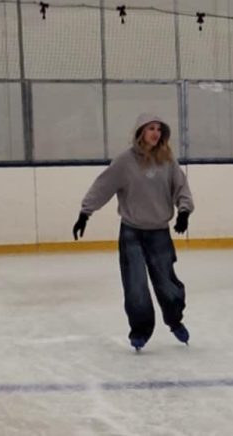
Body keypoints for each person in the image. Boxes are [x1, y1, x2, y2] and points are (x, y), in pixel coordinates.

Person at [73, 113, 195, 352]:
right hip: (132, 233)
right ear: (141, 132)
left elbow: (181, 188)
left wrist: (184, 212)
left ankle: (174, 320)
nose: (155, 133)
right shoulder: (125, 162)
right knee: (135, 286)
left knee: (168, 285)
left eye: (159, 129)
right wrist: (85, 213)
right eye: (151, 128)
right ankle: (140, 330)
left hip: (159, 233)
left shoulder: (168, 161)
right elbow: (103, 186)